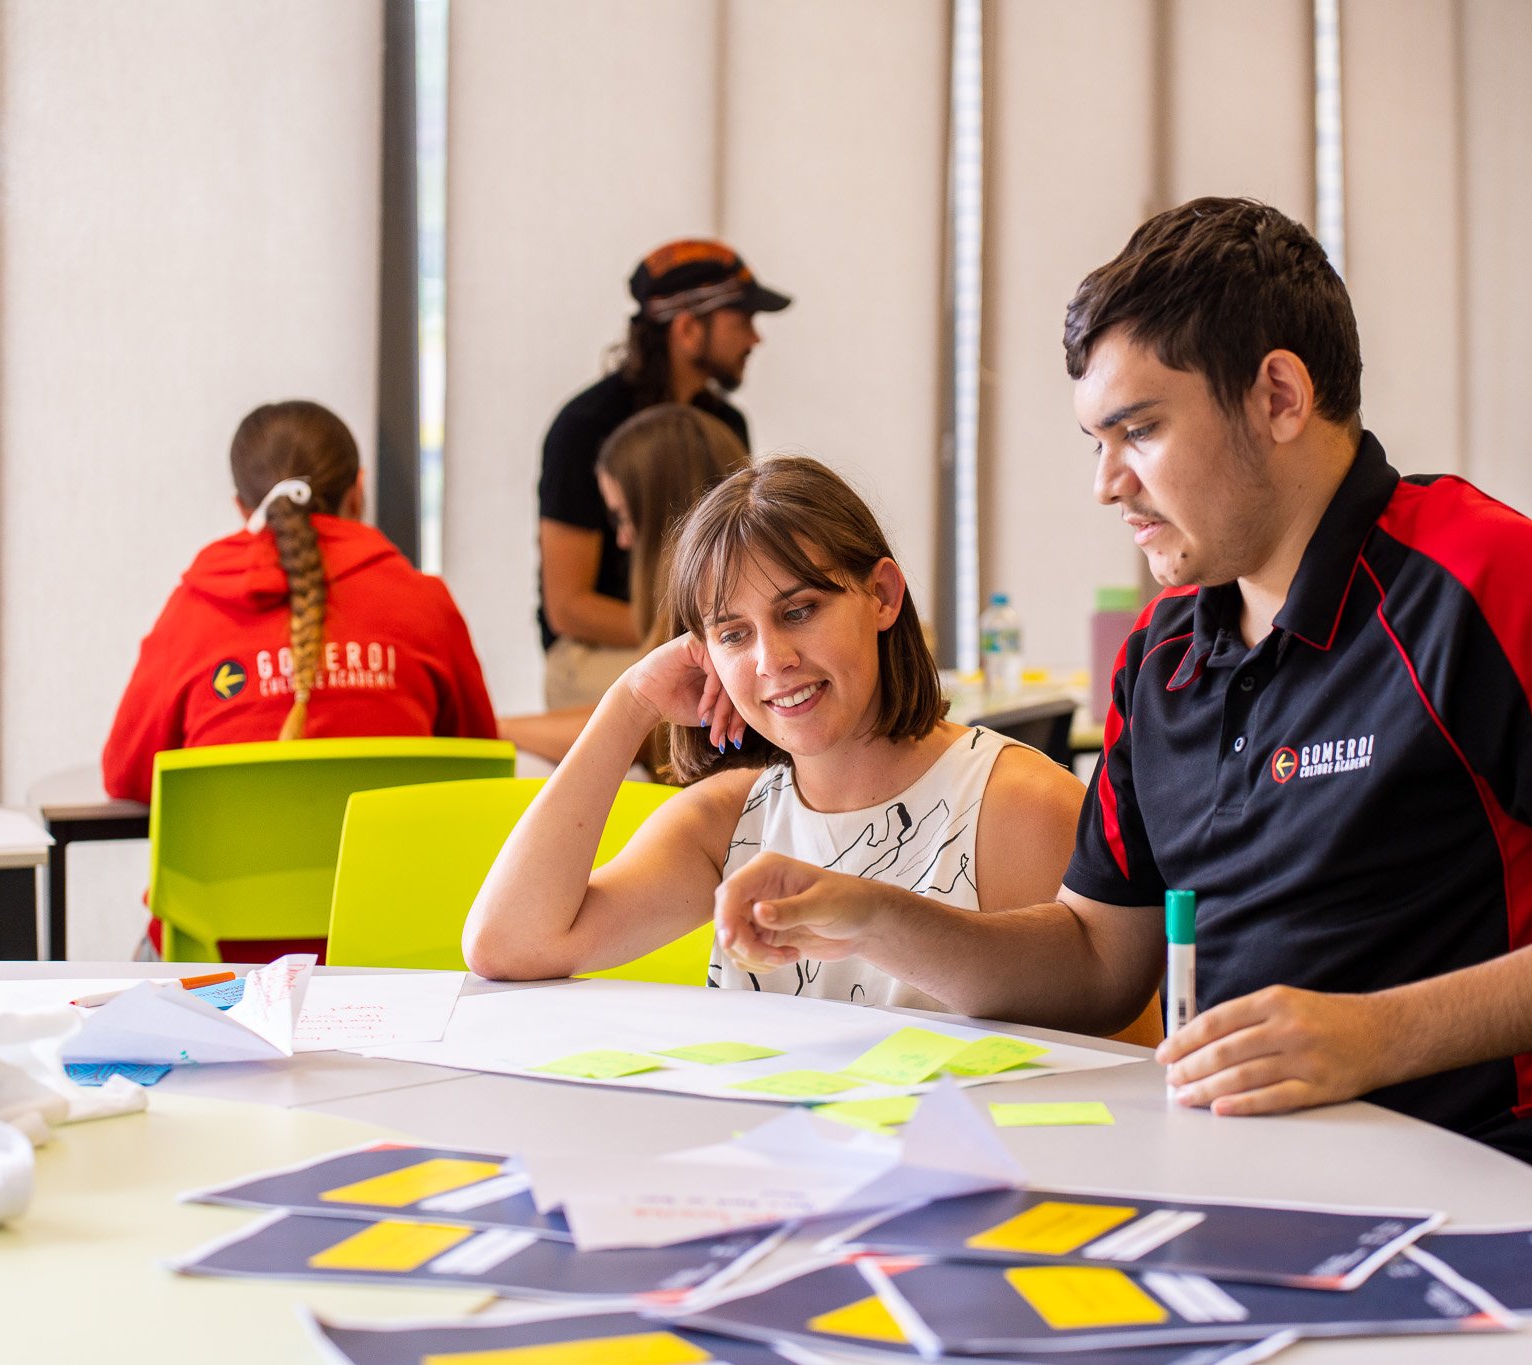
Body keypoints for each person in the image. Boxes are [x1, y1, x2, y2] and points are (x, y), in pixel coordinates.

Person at [698, 199, 1532, 1344]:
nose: (1105, 484)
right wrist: (872, 915)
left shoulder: (1487, 586)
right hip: (1270, 1169)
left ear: (1276, 396)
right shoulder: (1161, 657)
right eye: (1094, 443)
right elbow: (1092, 962)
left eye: (1138, 432)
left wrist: (1377, 1035)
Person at [464, 455, 1087, 1011]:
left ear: (882, 596)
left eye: (800, 611)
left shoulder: (1018, 806)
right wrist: (630, 702)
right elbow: (509, 945)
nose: (772, 659)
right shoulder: (727, 822)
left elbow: (1123, 1065)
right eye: (733, 633)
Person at [102, 400, 497, 954]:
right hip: (397, 962)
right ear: (359, 492)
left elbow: (125, 774)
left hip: (221, 972)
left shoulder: (194, 611)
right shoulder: (427, 606)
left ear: (243, 510)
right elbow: (480, 775)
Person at [537, 239, 791, 709]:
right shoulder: (584, 428)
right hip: (602, 651)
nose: (756, 339)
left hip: (705, 635)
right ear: (689, 328)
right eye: (743, 322)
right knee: (722, 696)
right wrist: (692, 639)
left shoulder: (727, 424)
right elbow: (567, 607)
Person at [500, 403, 748, 767]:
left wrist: (493, 729)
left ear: (662, 514)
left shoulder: (709, 609)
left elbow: (645, 734)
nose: (623, 540)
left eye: (623, 517)